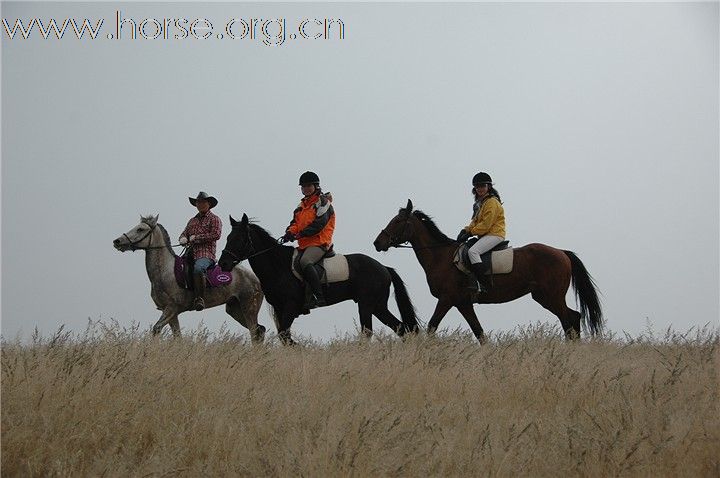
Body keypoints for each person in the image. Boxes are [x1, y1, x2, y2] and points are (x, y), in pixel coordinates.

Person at [281, 171, 335, 308]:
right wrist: (289, 233)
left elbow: (319, 224)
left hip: (319, 242)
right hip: (304, 244)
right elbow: (295, 223)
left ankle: (319, 296)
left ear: (316, 186)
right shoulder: (301, 206)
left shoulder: (323, 203)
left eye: (308, 186)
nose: (305, 188)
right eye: (303, 186)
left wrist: (299, 235)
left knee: (305, 261)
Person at [456, 172, 506, 293]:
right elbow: (475, 221)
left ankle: (483, 284)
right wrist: (465, 230)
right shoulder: (480, 204)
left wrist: (470, 233)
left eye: (482, 186)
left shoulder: (492, 202)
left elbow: (486, 225)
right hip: (486, 235)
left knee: (473, 252)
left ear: (488, 187)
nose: (480, 189)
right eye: (477, 186)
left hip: (495, 234)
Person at [179, 191, 222, 311]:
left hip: (206, 254)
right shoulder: (192, 221)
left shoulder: (214, 219)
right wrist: (182, 238)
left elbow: (216, 234)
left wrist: (197, 238)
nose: (200, 204)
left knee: (198, 268)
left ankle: (200, 298)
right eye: (198, 202)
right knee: (177, 267)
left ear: (209, 204)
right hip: (190, 253)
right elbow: (184, 233)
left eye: (203, 202)